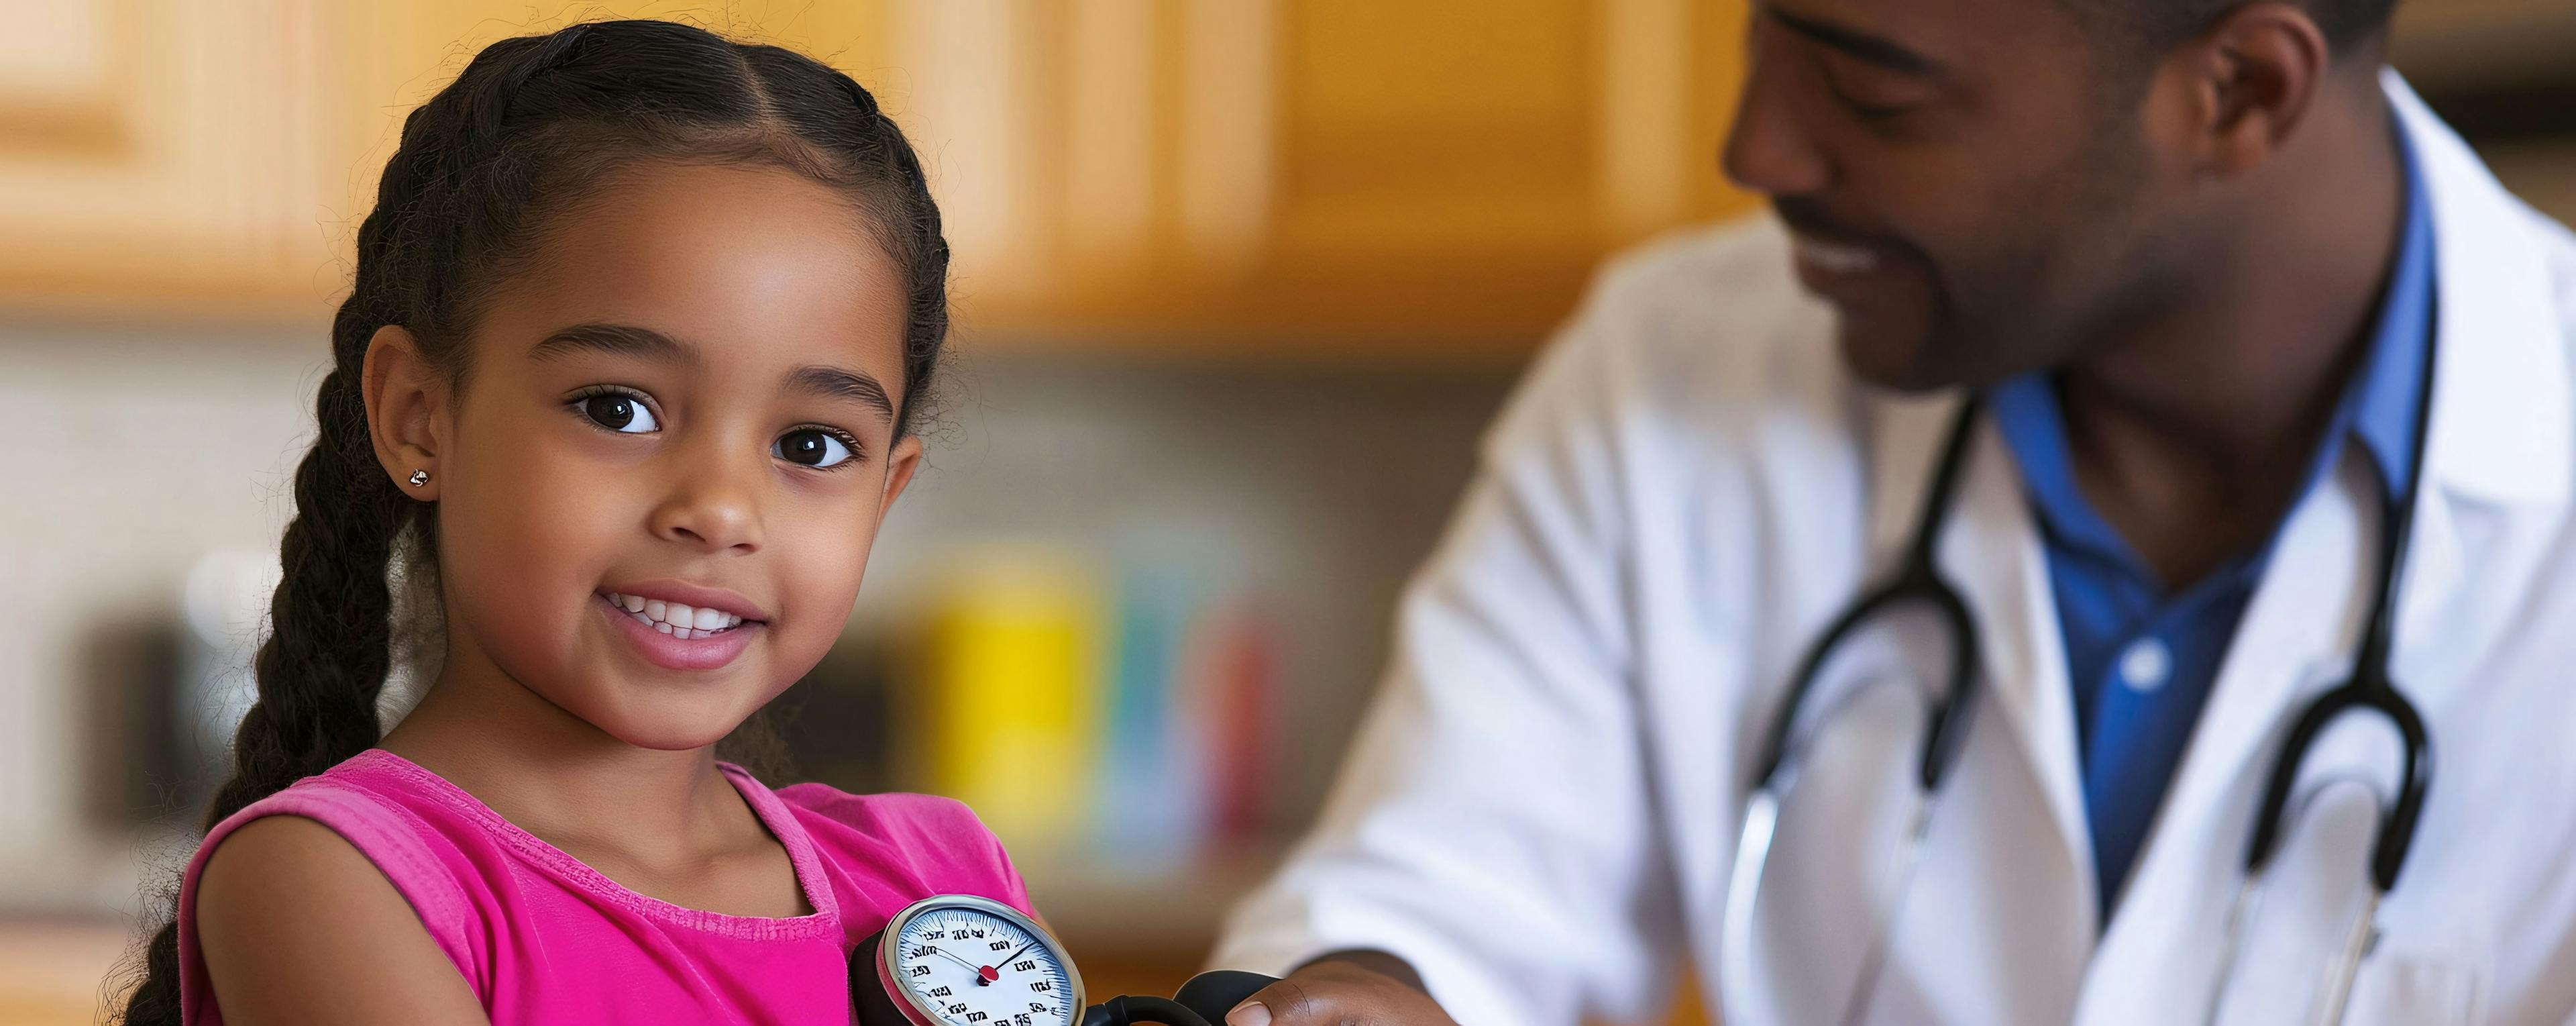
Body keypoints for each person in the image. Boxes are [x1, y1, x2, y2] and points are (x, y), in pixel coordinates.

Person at [1210, 0, 2576, 1023]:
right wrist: (1374, 987)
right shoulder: (1673, 372)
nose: (1754, 147)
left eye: (1873, 94)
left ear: (2238, 90)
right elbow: (1432, 901)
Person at [111, 20, 1022, 1025]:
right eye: (617, 408)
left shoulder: (939, 880)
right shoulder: (333, 882)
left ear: (886, 492)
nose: (719, 510)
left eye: (810, 446)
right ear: (419, 414)